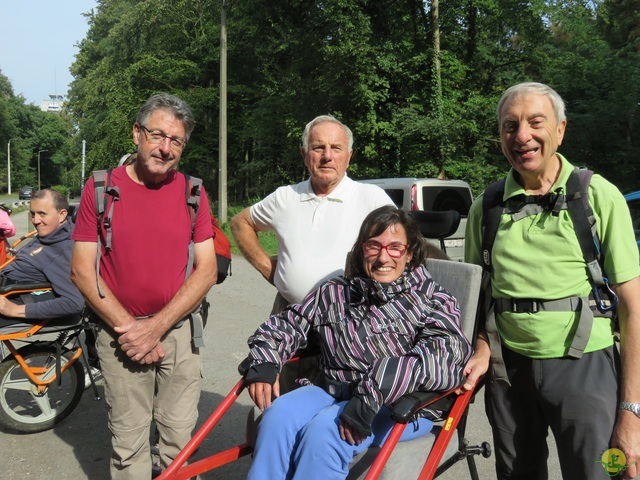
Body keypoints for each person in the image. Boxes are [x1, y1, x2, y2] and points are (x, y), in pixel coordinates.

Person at [462, 82, 640, 480]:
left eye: (535, 122)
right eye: (510, 126)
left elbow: (634, 307)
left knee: (605, 472)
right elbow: (474, 296)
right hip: (509, 373)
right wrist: (479, 344)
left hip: (588, 366)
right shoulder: (487, 207)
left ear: (560, 130)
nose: (522, 135)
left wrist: (632, 412)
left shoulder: (597, 197)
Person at [243, 205, 472, 479]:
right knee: (277, 418)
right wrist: (265, 361)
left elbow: (440, 357)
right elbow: (286, 324)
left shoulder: (434, 299)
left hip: (398, 404)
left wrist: (373, 391)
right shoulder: (335, 291)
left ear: (410, 253)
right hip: (330, 390)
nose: (383, 256)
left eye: (395, 247)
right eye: (373, 245)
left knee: (326, 432)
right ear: (362, 248)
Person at [70, 93, 217, 480]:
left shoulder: (193, 192)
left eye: (176, 141)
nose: (165, 148)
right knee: (128, 444)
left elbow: (207, 270)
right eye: (157, 135)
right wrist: (133, 330)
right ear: (137, 133)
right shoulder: (100, 189)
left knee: (180, 441)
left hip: (180, 335)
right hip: (120, 336)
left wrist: (155, 328)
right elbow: (83, 271)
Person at [231, 114, 396, 313]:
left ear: (349, 156)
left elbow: (403, 250)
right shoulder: (285, 197)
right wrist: (270, 269)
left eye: (336, 148)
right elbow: (240, 223)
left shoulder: (372, 199)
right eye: (318, 148)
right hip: (289, 315)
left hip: (350, 320)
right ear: (304, 154)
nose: (327, 156)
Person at [0, 189, 84, 322]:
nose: (35, 220)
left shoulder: (61, 249)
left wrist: (14, 310)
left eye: (42, 214)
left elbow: (74, 302)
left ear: (62, 215)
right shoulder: (49, 234)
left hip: (13, 297)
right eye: (32, 214)